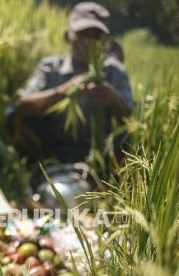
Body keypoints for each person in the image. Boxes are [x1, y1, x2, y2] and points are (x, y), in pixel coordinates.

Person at [8, 2, 134, 165]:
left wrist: (113, 99)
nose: (89, 42)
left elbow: (131, 123)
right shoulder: (50, 67)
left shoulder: (114, 71)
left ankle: (104, 174)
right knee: (12, 116)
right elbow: (20, 107)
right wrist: (63, 92)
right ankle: (37, 167)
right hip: (53, 150)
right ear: (68, 36)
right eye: (83, 34)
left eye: (96, 36)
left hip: (102, 155)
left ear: (105, 41)